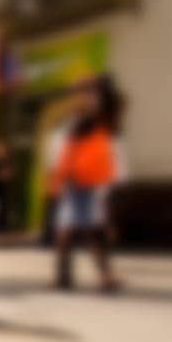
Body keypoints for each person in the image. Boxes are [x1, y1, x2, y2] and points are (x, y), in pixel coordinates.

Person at [51, 75, 126, 293]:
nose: (76, 95)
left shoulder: (92, 114)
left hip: (82, 177)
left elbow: (75, 139)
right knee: (87, 229)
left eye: (81, 90)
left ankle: (72, 278)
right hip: (81, 177)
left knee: (79, 230)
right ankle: (96, 276)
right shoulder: (93, 114)